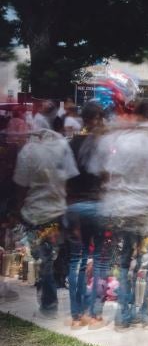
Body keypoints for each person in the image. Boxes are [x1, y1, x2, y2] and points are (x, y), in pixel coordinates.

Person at [88, 106, 148, 329]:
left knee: (124, 262)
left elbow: (103, 173)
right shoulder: (144, 141)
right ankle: (144, 314)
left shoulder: (114, 141)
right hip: (141, 209)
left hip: (122, 209)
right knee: (145, 261)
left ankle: (123, 313)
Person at [12, 127, 80, 317]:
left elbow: (20, 185)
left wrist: (19, 210)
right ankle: (49, 300)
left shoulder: (29, 152)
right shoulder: (62, 149)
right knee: (48, 258)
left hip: (36, 215)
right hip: (56, 214)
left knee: (44, 259)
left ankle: (49, 305)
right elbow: (70, 181)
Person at [64, 101, 108, 329]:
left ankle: (76, 316)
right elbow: (107, 176)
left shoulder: (71, 144)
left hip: (74, 206)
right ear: (98, 119)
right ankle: (95, 314)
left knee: (76, 261)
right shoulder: (102, 144)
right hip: (96, 204)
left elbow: (65, 178)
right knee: (99, 259)